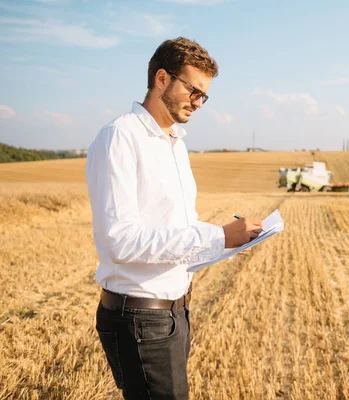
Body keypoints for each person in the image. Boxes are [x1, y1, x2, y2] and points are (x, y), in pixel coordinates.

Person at [85, 37, 263, 399]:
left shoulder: (175, 142)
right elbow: (120, 241)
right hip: (140, 318)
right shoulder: (121, 137)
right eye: (193, 90)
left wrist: (224, 243)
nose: (198, 103)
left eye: (204, 96)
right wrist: (217, 237)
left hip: (173, 313)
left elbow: (175, 230)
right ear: (162, 78)